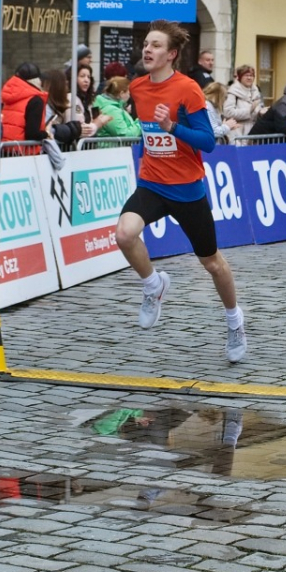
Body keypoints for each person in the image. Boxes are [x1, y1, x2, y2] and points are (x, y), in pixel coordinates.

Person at [114, 20, 248, 363]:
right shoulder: (138, 88)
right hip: (152, 184)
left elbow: (208, 142)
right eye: (146, 43)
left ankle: (234, 321)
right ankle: (153, 286)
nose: (148, 49)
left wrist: (172, 127)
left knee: (212, 264)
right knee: (125, 234)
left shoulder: (187, 89)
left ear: (172, 54)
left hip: (187, 190)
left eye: (156, 45)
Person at [0, 62, 48, 145]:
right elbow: (32, 134)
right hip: (24, 151)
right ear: (36, 80)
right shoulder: (35, 100)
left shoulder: (5, 96)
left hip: (4, 149)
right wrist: (46, 134)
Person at [41, 68, 91, 148]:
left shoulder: (55, 107)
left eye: (89, 77)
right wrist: (71, 130)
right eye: (82, 76)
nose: (86, 80)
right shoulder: (47, 107)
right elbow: (47, 132)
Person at [224, 65, 264, 138]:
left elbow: (256, 112)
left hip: (254, 132)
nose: (249, 78)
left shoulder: (256, 91)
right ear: (240, 77)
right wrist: (249, 110)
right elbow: (228, 112)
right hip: (238, 132)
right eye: (246, 75)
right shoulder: (232, 92)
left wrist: (261, 113)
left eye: (251, 75)